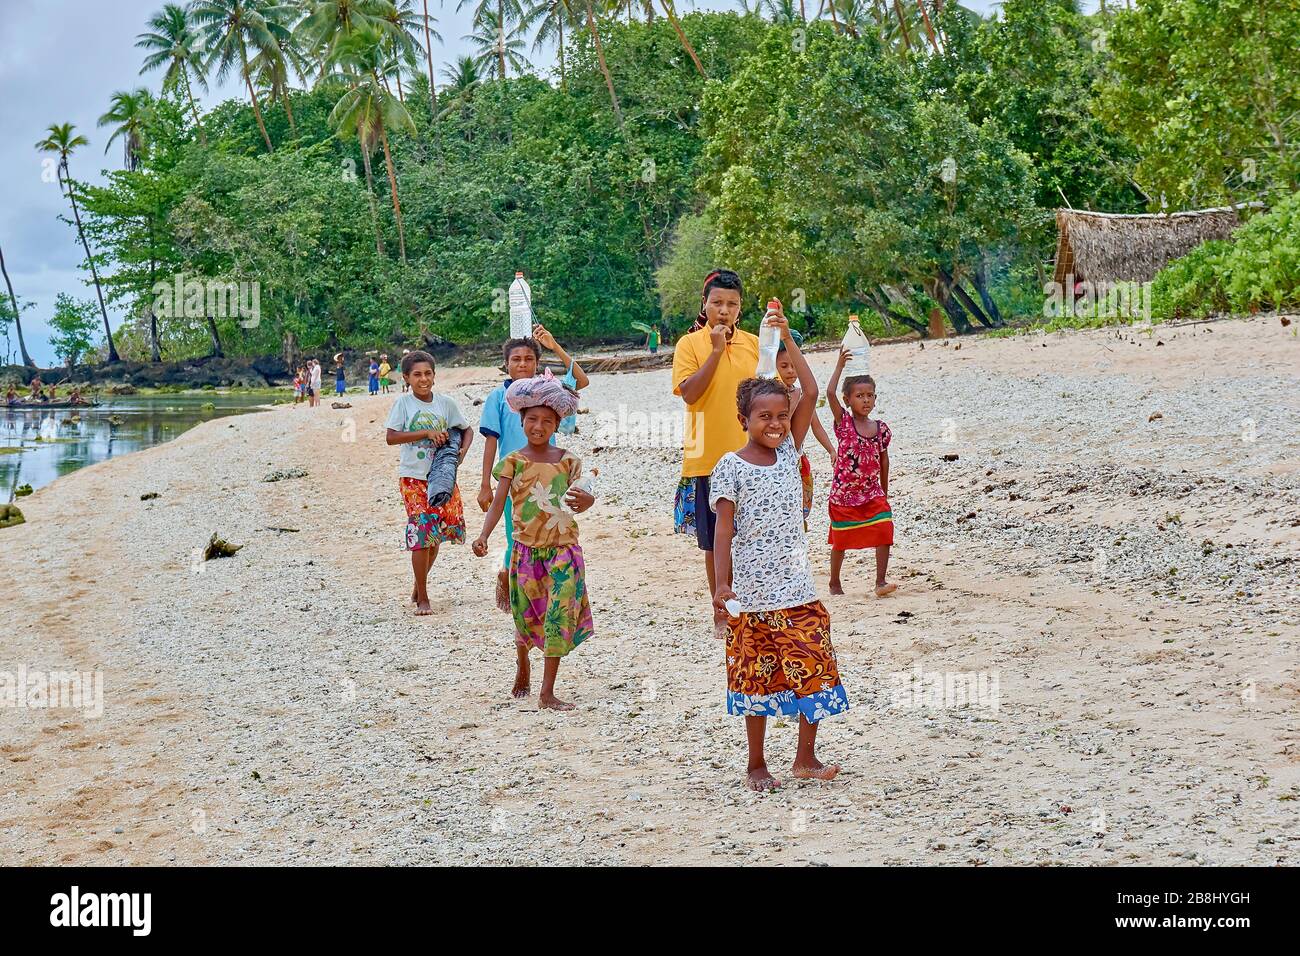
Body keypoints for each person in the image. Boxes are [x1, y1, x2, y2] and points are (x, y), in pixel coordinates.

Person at [711, 305, 847, 791]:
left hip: (798, 590)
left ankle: (805, 758)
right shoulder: (731, 466)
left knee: (814, 669)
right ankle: (756, 764)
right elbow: (722, 530)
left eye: (781, 417)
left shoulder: (790, 449)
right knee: (756, 680)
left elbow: (810, 390)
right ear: (743, 418)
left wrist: (787, 335)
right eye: (763, 417)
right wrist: (721, 584)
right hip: (751, 595)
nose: (773, 423)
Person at [472, 371, 595, 710]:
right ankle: (522, 662)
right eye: (532, 420)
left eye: (547, 421)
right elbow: (499, 502)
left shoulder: (569, 462)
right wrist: (483, 534)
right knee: (526, 615)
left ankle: (547, 691)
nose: (538, 426)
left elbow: (583, 497)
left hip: (564, 552)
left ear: (557, 425)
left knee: (557, 616)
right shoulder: (512, 462)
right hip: (526, 553)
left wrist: (588, 502)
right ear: (521, 421)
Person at [478, 325, 588, 612]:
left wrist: (555, 347)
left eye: (529, 359)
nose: (523, 364)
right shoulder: (498, 396)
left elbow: (581, 381)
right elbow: (491, 440)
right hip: (512, 476)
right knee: (516, 531)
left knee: (548, 527)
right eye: (516, 360)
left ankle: (545, 583)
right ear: (506, 364)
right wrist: (484, 485)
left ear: (537, 364)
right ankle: (515, 585)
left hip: (549, 474)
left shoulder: (548, 392)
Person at [671, 269, 758, 595]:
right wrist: (717, 350)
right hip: (708, 456)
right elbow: (690, 393)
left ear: (740, 308)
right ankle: (720, 608)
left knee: (754, 535)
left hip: (752, 455)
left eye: (732, 304)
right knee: (715, 543)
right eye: (717, 302)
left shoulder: (754, 343)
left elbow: (771, 395)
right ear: (704, 304)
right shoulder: (689, 344)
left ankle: (751, 603)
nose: (724, 310)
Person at [385, 350, 473, 616]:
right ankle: (423, 597)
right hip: (413, 477)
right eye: (417, 375)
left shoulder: (445, 404)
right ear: (406, 378)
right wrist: (426, 432)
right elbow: (391, 437)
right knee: (421, 535)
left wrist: (461, 453)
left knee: (435, 539)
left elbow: (466, 430)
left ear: (434, 375)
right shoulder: (403, 404)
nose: (423, 379)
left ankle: (418, 583)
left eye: (427, 374)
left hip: (441, 477)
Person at [825, 350, 895, 597]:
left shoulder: (881, 429)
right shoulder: (844, 423)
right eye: (859, 396)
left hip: (871, 492)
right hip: (844, 495)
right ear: (848, 400)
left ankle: (880, 581)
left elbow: (884, 461)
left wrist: (884, 492)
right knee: (841, 540)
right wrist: (839, 366)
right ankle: (834, 582)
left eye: (869, 395)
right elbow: (829, 393)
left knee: (884, 528)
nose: (865, 400)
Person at [776, 330, 836, 528]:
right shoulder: (769, 396)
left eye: (794, 366)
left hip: (796, 458)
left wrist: (830, 449)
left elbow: (816, 425)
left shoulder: (802, 395)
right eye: (784, 366)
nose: (791, 371)